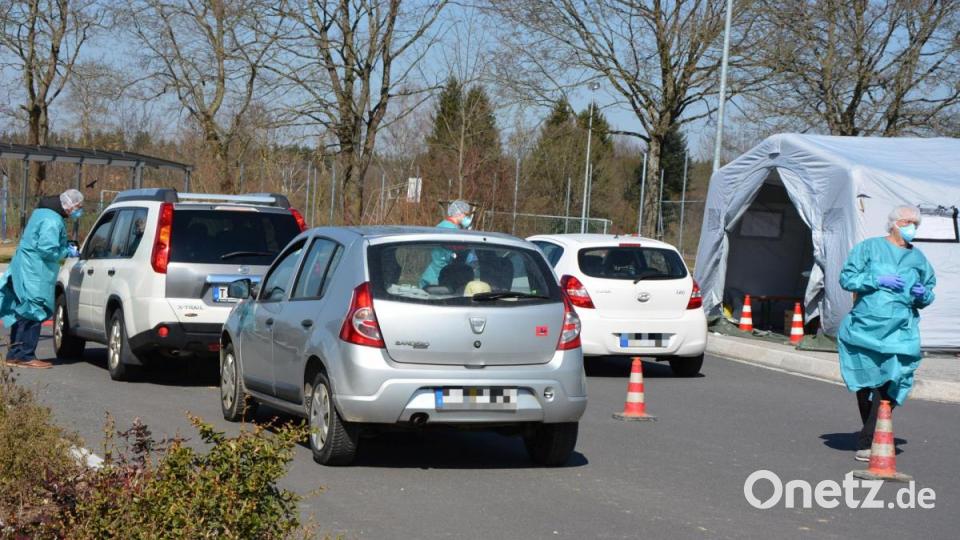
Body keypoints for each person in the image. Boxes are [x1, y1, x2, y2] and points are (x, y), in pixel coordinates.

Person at [837, 205, 935, 462]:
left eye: (916, 223)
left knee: (892, 380)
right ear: (894, 223)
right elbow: (847, 278)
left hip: (900, 330)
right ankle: (871, 431)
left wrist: (922, 294)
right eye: (908, 221)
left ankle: (868, 438)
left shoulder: (918, 259)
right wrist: (877, 280)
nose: (912, 227)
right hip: (866, 327)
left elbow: (929, 289)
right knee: (864, 382)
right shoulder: (868, 248)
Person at [0, 189, 84, 369]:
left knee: (23, 309)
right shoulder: (52, 220)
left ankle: (14, 354)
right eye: (77, 207)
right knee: (35, 309)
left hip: (25, 266)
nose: (77, 211)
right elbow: (47, 249)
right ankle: (26, 355)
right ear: (68, 205)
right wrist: (66, 251)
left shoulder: (42, 212)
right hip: (35, 270)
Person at [419, 200, 474, 288]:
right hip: (441, 274)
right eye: (466, 214)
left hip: (433, 272)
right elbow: (457, 250)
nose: (467, 218)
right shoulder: (451, 230)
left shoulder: (443, 226)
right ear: (459, 213)